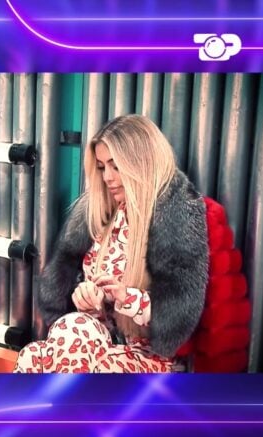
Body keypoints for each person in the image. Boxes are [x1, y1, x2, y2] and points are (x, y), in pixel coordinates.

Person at [15, 114, 208, 373]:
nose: (107, 177)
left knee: (82, 356)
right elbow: (84, 308)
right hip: (98, 343)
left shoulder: (175, 217)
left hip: (151, 355)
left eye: (115, 166)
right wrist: (86, 298)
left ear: (141, 164)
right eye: (102, 167)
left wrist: (126, 297)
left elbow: (179, 315)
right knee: (33, 355)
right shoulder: (101, 213)